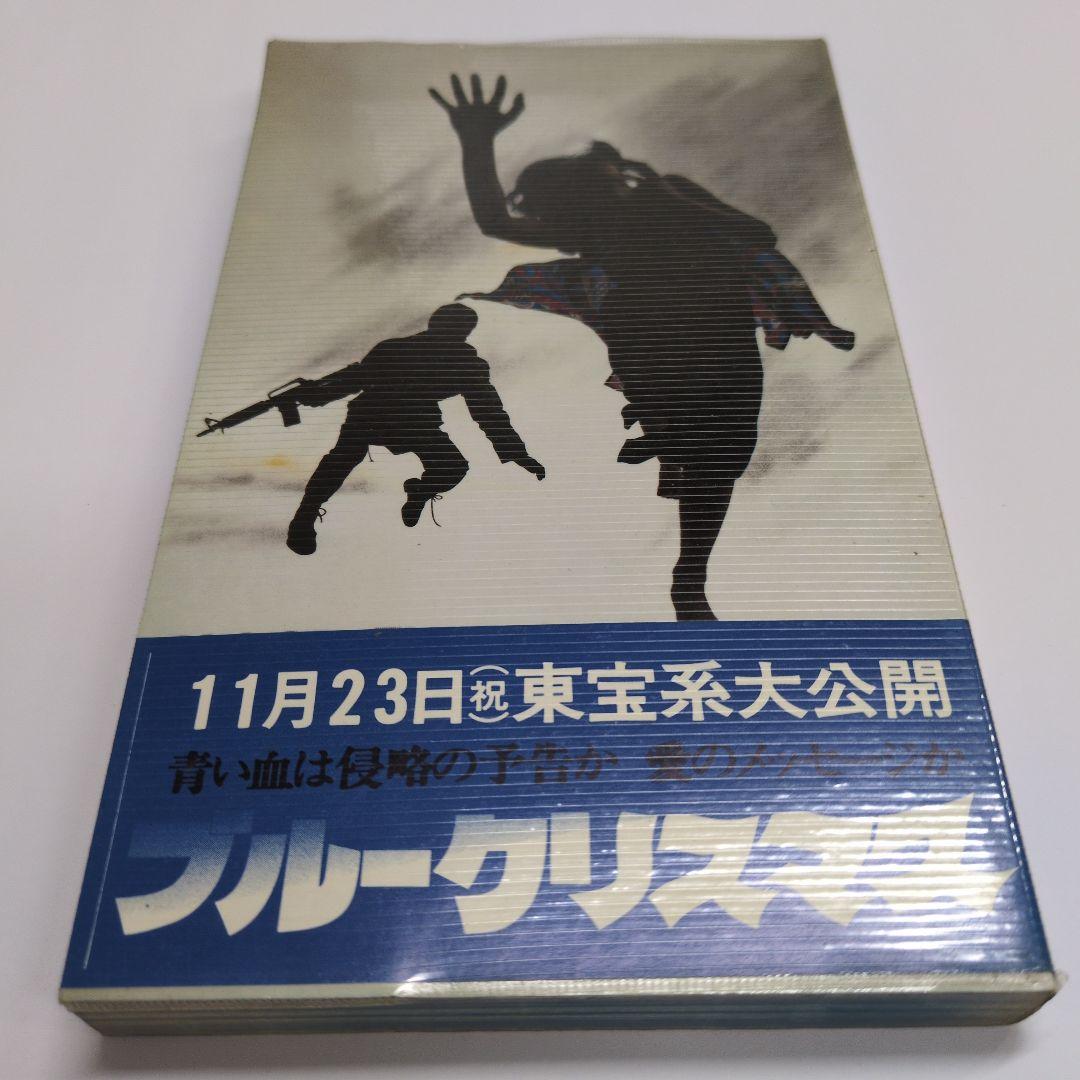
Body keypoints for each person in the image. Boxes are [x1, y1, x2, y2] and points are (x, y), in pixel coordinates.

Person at [431, 74, 854, 620]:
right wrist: (476, 139)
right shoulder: (593, 223)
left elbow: (757, 233)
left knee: (725, 449)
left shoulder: (668, 195)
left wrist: (671, 194)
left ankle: (688, 568)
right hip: (654, 322)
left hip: (714, 320)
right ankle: (667, 432)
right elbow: (495, 220)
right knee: (699, 430)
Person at [286, 303, 545, 554]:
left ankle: (418, 491)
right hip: (381, 415)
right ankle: (305, 516)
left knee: (451, 467)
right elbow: (358, 378)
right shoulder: (409, 351)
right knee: (342, 461)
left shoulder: (461, 363)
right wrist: (316, 395)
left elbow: (487, 410)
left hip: (404, 419)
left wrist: (516, 452)